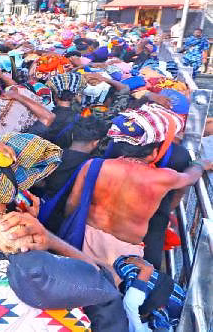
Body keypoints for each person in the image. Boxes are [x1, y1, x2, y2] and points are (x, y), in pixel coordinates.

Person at [63, 104, 213, 266]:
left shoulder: (94, 165)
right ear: (155, 151)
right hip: (124, 253)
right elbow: (189, 177)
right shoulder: (164, 178)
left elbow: (71, 205)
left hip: (85, 239)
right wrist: (199, 165)